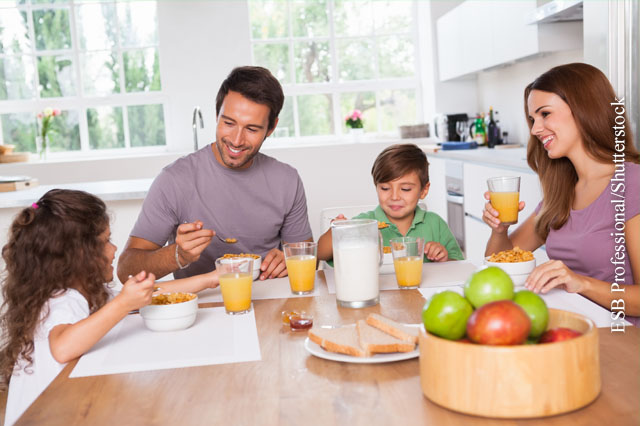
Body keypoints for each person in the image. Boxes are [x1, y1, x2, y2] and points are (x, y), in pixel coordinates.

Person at [0, 190, 220, 426]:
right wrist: (124, 303)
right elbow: (62, 347)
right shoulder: (60, 299)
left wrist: (211, 278)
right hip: (46, 416)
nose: (114, 249)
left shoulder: (90, 292)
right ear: (79, 255)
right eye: (106, 241)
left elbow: (152, 291)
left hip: (70, 408)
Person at [117, 66, 313, 284]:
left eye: (252, 129)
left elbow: (305, 256)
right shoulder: (174, 180)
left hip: (270, 301)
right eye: (228, 123)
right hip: (203, 307)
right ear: (217, 114)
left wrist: (289, 259)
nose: (236, 140)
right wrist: (177, 255)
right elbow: (126, 271)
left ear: (271, 127)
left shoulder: (287, 181)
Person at [482, 62, 640, 323]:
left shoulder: (632, 183)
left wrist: (581, 283)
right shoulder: (561, 192)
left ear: (583, 108)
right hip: (569, 326)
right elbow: (500, 263)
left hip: (620, 339)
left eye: (545, 114)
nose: (535, 129)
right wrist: (499, 229)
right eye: (533, 119)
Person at [317, 143, 464, 262]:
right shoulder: (364, 225)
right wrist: (336, 231)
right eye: (385, 188)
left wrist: (444, 258)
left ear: (424, 190)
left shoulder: (435, 224)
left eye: (405, 189)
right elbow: (321, 254)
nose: (394, 196)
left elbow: (458, 265)